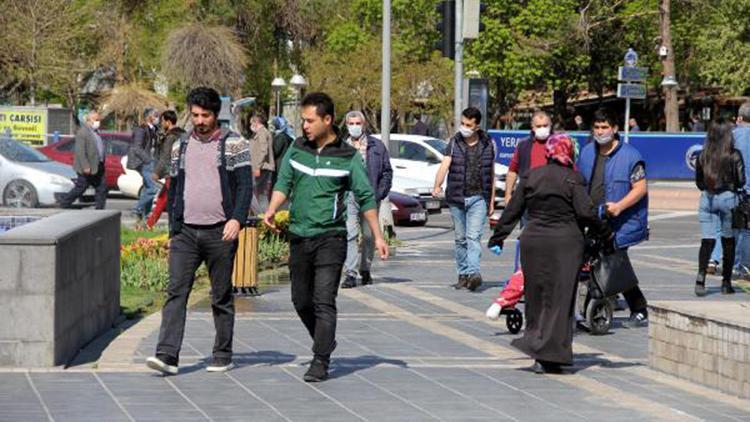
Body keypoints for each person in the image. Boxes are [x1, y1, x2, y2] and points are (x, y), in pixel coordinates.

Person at [264, 92, 389, 382]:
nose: (304, 126)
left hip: (330, 238)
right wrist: (271, 208)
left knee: (323, 300)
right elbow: (284, 183)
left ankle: (320, 359)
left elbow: (365, 196)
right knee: (300, 300)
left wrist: (379, 236)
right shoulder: (297, 148)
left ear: (327, 120)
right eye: (303, 120)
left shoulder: (347, 156)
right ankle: (325, 339)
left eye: (310, 120)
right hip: (299, 235)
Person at [145, 87, 252, 375]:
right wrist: (173, 232)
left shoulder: (235, 144)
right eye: (195, 115)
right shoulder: (181, 146)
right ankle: (167, 355)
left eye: (205, 115)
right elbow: (175, 189)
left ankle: (222, 353)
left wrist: (236, 219)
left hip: (221, 232)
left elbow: (244, 186)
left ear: (216, 115)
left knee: (220, 295)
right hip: (186, 234)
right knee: (176, 292)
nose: (200, 120)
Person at [488, 134, 611, 373]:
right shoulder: (573, 179)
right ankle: (552, 356)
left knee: (536, 297)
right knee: (560, 299)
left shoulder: (531, 176)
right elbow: (586, 213)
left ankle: (538, 352)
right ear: (569, 153)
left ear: (549, 153)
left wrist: (498, 237)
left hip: (533, 243)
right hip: (564, 245)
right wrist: (605, 233)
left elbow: (513, 209)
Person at [578, 108, 650, 328]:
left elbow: (640, 188)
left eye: (605, 127)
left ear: (615, 129)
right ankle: (599, 301)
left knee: (614, 263)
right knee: (591, 259)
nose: (600, 132)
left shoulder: (631, 156)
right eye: (597, 128)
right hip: (593, 218)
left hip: (620, 221)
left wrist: (619, 206)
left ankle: (639, 308)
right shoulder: (587, 152)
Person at [432, 107, 496, 291]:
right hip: (457, 198)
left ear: (477, 126)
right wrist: (437, 184)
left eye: (468, 124)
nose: (464, 127)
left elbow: (490, 172)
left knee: (473, 237)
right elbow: (445, 164)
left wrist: (491, 201)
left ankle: (474, 273)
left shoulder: (487, 143)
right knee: (460, 239)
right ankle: (463, 274)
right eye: (462, 123)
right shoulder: (454, 142)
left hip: (479, 198)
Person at [340, 110, 393, 288]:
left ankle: (365, 269)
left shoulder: (376, 146)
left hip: (370, 196)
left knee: (369, 235)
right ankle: (350, 273)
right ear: (346, 125)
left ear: (363, 125)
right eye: (351, 123)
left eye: (358, 123)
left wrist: (379, 193)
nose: (354, 127)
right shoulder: (341, 146)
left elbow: (387, 171)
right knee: (350, 234)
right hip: (350, 196)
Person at [694, 119, 744, 296]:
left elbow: (699, 182)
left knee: (707, 239)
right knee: (728, 240)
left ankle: (700, 279)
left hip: (707, 197)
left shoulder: (703, 155)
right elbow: (741, 180)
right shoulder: (734, 154)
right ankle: (726, 283)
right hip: (728, 197)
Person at [56, 111, 108, 209]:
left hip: (97, 165)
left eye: (99, 120)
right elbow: (80, 151)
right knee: (81, 187)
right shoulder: (82, 132)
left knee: (102, 188)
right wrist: (86, 166)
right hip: (87, 166)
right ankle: (64, 203)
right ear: (89, 120)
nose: (98, 122)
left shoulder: (96, 132)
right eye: (96, 120)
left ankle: (100, 210)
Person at [146, 110, 185, 228]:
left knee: (165, 200)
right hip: (183, 171)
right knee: (164, 198)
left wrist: (157, 172)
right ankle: (150, 224)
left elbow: (165, 156)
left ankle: (167, 227)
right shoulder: (184, 134)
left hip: (171, 173)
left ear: (168, 122)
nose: (161, 124)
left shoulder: (170, 137)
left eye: (162, 121)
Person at [505, 110, 553, 205]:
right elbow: (512, 171)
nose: (542, 129)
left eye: (545, 125)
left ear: (550, 125)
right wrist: (508, 195)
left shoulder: (559, 144)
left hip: (552, 197)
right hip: (528, 197)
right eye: (538, 126)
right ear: (532, 127)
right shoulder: (523, 145)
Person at [128, 107, 160, 221]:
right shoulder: (141, 129)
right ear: (149, 117)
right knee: (152, 189)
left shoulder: (154, 129)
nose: (158, 118)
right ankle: (136, 209)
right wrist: (148, 160)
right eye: (156, 115)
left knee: (147, 188)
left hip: (151, 162)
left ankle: (145, 216)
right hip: (144, 162)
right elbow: (137, 148)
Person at [729, 102, 750, 279]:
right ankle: (745, 265)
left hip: (735, 188)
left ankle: (736, 264)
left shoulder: (732, 136)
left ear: (740, 118)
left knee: (733, 227)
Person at [249, 113, 275, 211]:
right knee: (261, 195)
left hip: (262, 167)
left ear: (256, 122)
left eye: (251, 123)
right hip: (262, 167)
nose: (250, 125)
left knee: (249, 191)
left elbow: (264, 150)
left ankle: (258, 214)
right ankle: (264, 216)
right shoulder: (260, 132)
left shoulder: (262, 132)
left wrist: (257, 167)